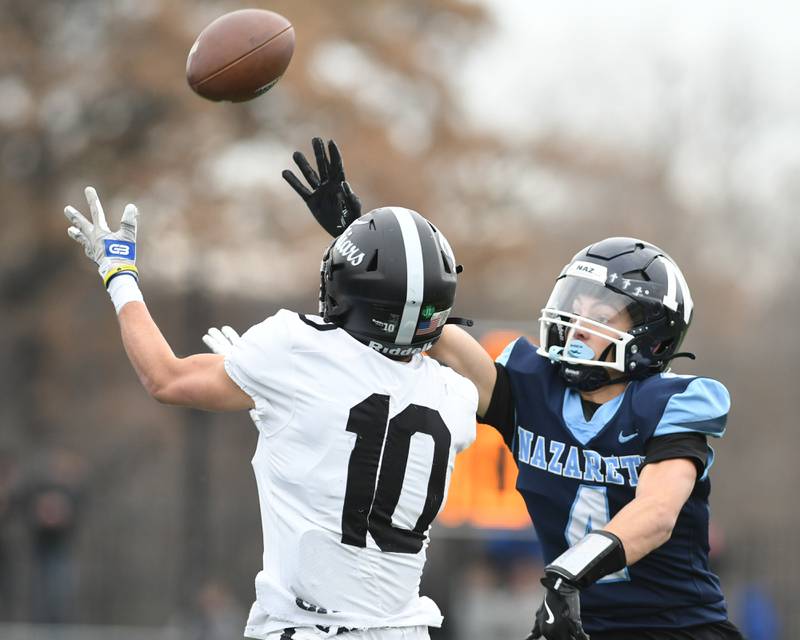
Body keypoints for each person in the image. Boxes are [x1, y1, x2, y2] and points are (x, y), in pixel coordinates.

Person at [293, 142, 745, 640]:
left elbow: (657, 514)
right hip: (577, 624)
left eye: (598, 317)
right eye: (575, 308)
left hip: (677, 629)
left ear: (651, 336)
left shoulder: (671, 403)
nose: (576, 327)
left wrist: (569, 572)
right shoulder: (533, 390)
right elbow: (433, 330)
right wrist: (365, 251)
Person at [61, 140, 478, 640]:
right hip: (406, 631)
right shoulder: (457, 397)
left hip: (305, 629)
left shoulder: (295, 350)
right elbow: (401, 352)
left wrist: (119, 273)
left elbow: (164, 377)